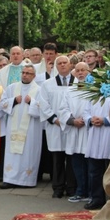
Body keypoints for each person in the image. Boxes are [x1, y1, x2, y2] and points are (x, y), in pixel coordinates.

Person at [0, 64, 42, 189]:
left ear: (33, 76)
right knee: (12, 152)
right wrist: (13, 101)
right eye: (23, 72)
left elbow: (43, 108)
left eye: (28, 73)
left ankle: (27, 180)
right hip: (13, 126)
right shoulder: (12, 88)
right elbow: (2, 103)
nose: (25, 75)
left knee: (28, 152)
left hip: (31, 129)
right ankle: (9, 179)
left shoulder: (39, 90)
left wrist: (31, 102)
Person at [39, 55, 77, 198]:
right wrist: (54, 119)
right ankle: (58, 187)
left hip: (73, 126)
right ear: (56, 66)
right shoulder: (47, 84)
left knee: (72, 157)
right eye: (59, 63)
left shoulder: (78, 83)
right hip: (55, 126)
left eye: (64, 63)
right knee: (57, 158)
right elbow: (43, 104)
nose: (62, 65)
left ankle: (72, 187)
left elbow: (82, 102)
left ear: (70, 65)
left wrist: (73, 120)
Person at [58, 62, 90, 203]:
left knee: (90, 163)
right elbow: (62, 109)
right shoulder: (69, 90)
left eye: (83, 70)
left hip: (88, 130)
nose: (81, 72)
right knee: (76, 162)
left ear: (89, 72)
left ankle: (90, 192)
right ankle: (80, 191)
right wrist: (72, 120)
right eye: (78, 70)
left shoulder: (95, 90)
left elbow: (97, 108)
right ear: (74, 73)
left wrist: (86, 119)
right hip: (75, 129)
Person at [82, 97, 110, 210]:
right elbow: (86, 111)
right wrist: (90, 119)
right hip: (95, 135)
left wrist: (106, 120)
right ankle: (97, 199)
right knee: (94, 171)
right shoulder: (95, 93)